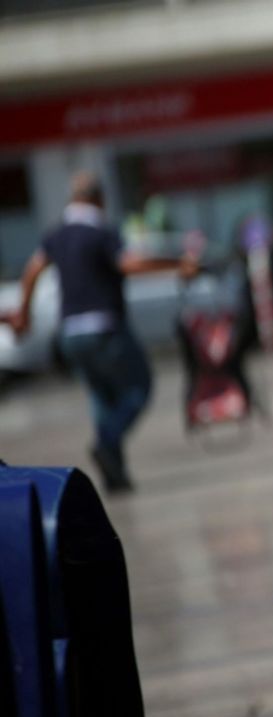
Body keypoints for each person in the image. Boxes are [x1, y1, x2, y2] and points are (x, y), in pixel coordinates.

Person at [9, 171, 198, 494]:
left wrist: (24, 314)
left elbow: (33, 269)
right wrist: (177, 265)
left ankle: (115, 474)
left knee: (101, 398)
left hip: (70, 333)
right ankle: (107, 443)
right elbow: (128, 264)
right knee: (138, 387)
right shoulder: (101, 232)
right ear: (99, 198)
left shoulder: (57, 234)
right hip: (104, 328)